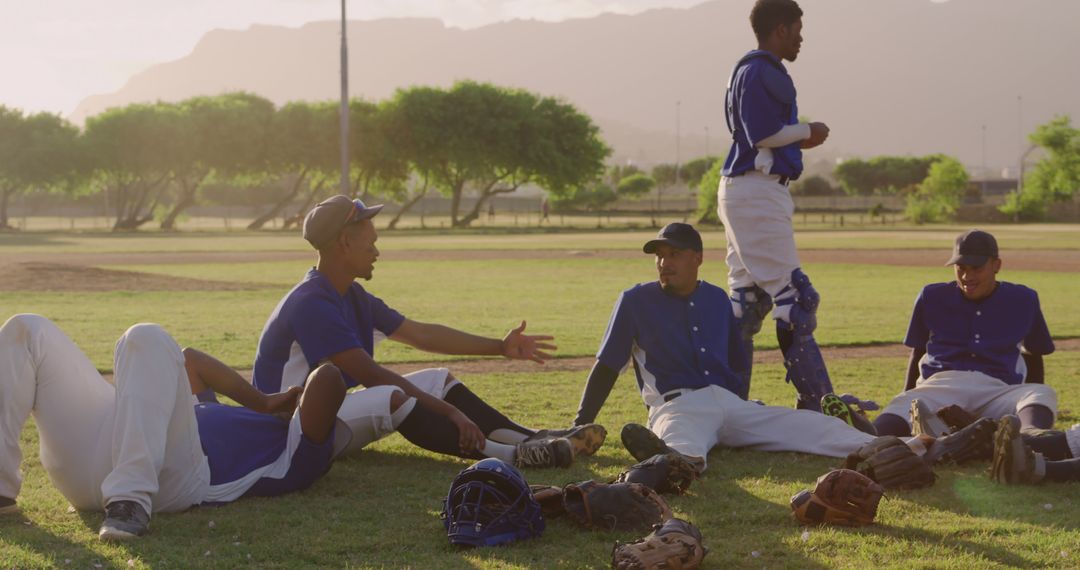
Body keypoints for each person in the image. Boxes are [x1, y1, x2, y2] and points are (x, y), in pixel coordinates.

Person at [240, 195, 604, 470]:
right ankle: (513, 457)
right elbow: (372, 375)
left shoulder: (350, 294)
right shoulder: (312, 302)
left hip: (322, 419)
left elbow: (423, 336)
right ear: (344, 243)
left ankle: (538, 440)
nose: (377, 251)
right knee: (389, 395)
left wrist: (500, 346)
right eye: (370, 243)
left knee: (437, 379)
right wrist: (451, 414)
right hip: (290, 433)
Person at [0, 314, 345, 540]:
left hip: (173, 481)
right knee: (27, 330)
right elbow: (191, 359)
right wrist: (264, 402)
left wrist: (290, 407)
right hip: (101, 451)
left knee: (146, 336)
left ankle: (129, 502)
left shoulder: (297, 456)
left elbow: (328, 379)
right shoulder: (217, 412)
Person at [570, 223, 878, 471]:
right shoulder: (635, 301)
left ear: (698, 258)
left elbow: (736, 361)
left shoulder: (717, 299)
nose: (664, 263)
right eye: (659, 256)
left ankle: (893, 446)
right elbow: (608, 365)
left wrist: (743, 405)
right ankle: (671, 466)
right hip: (677, 406)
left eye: (674, 254)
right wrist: (580, 425)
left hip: (729, 405)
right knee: (681, 445)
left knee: (807, 426)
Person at [717, 0, 839, 410]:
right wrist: (807, 130)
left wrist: (797, 135)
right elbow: (761, 132)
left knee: (747, 303)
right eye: (797, 29)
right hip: (757, 191)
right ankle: (819, 404)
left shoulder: (748, 70)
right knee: (796, 301)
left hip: (747, 189)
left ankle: (729, 402)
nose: (801, 37)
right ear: (781, 29)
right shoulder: (759, 69)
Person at [872, 229, 1059, 437]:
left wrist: (1030, 395)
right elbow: (918, 351)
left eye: (976, 268)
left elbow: (1034, 353)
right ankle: (870, 437)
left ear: (996, 265)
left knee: (1041, 393)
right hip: (941, 386)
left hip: (997, 390)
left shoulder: (1023, 299)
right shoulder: (932, 296)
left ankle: (1029, 438)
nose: (966, 276)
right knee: (903, 403)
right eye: (960, 267)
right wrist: (908, 393)